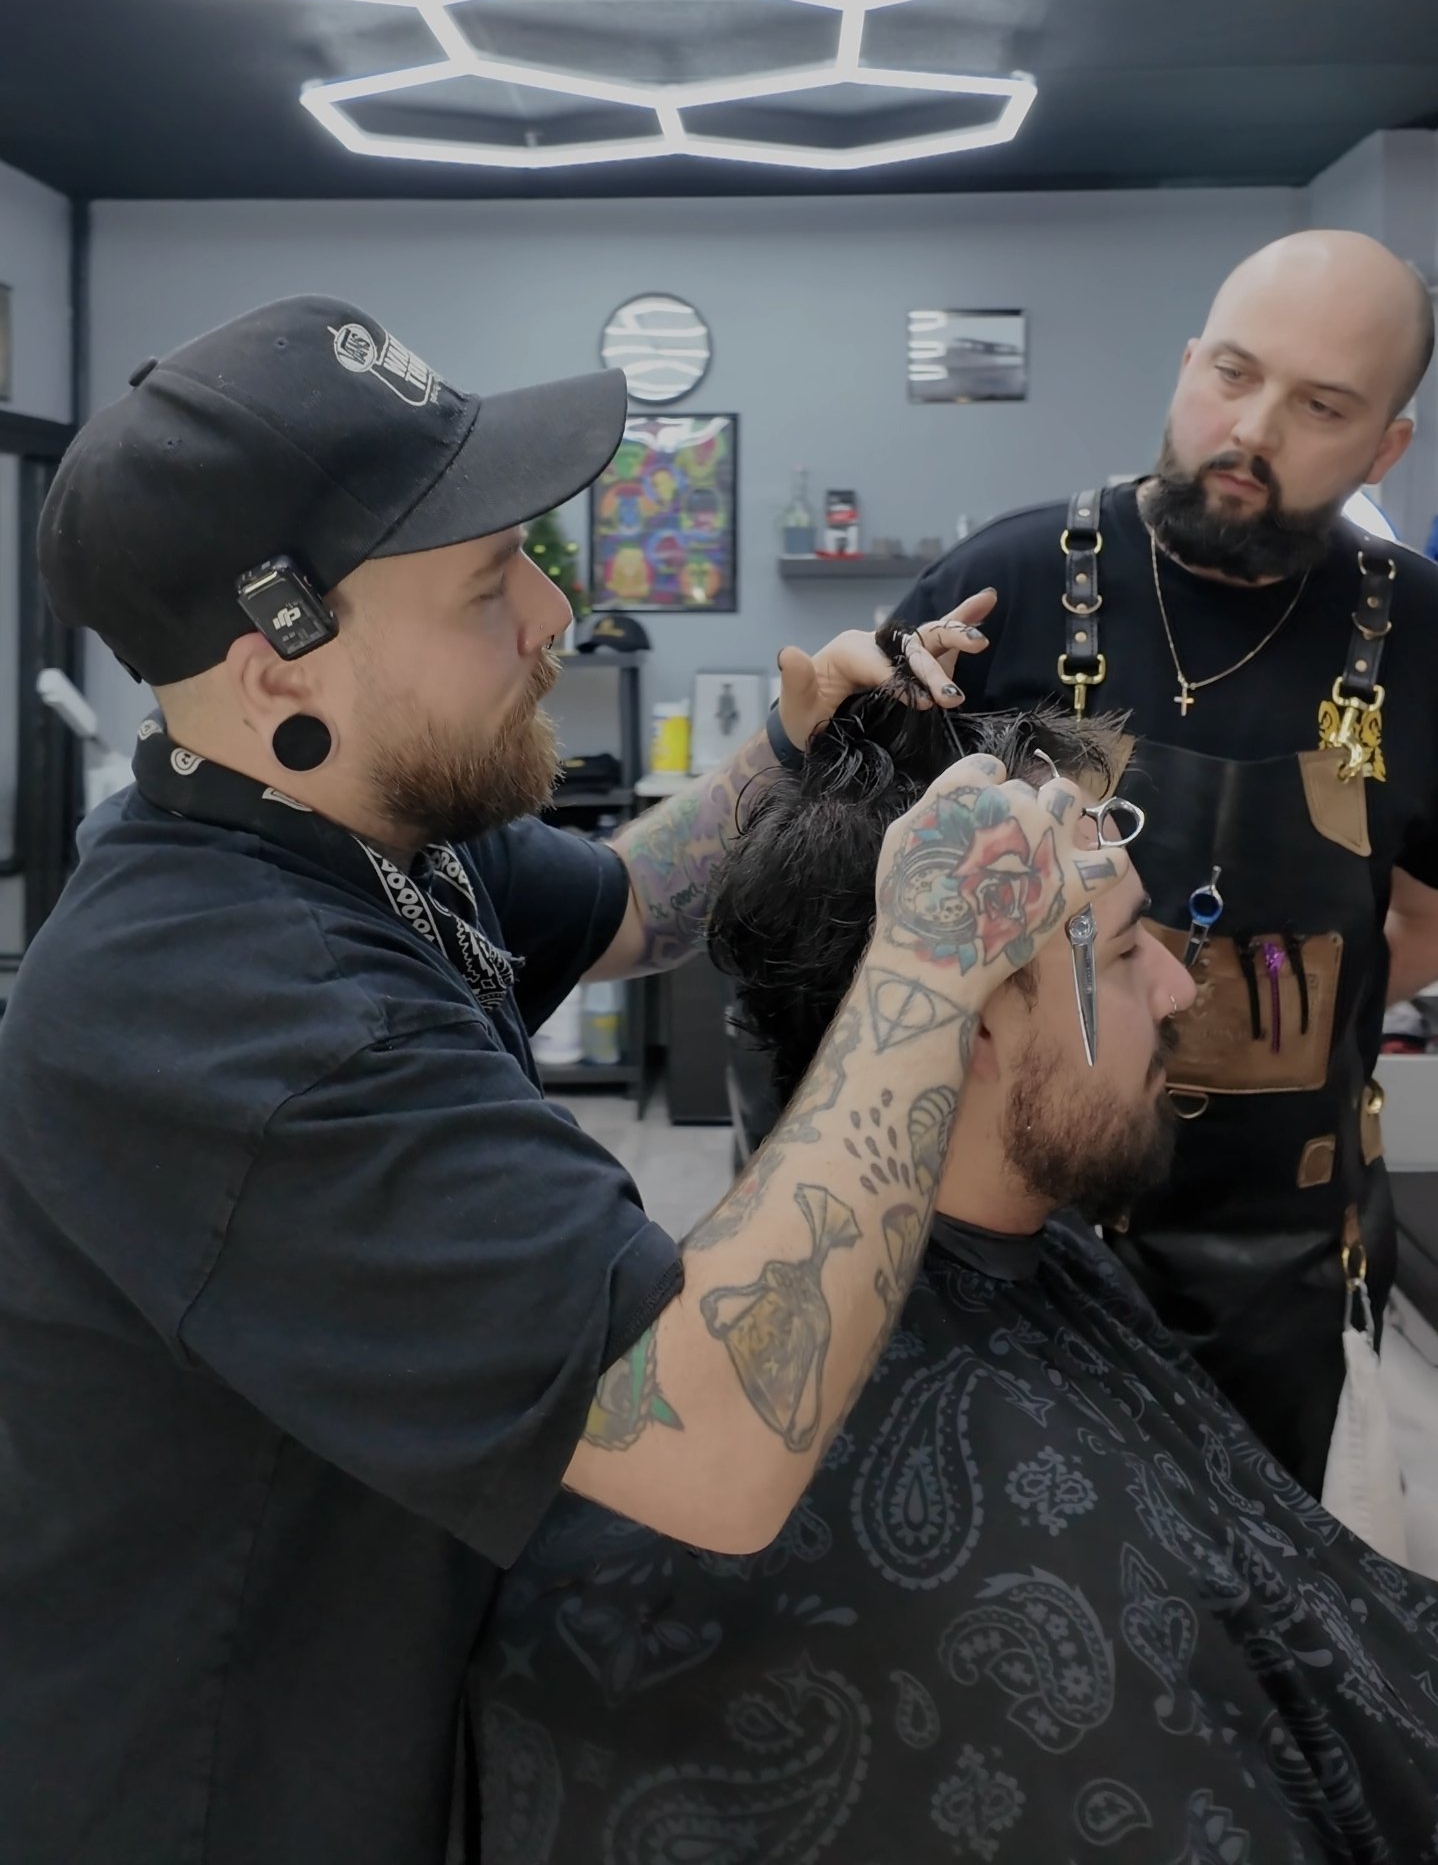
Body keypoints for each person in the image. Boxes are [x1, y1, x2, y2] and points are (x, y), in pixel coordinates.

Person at [0, 293, 1088, 1865]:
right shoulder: (245, 1021)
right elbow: (711, 1441)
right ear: (277, 670)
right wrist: (925, 961)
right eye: (483, 583)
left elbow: (640, 900)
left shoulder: (356, 834)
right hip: (220, 1785)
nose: (551, 619)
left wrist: (787, 752)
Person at [473, 684, 1438, 1865]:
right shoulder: (907, 1514)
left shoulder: (1028, 1265)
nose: (1183, 991)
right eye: (1131, 950)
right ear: (969, 1019)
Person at [891, 229, 1438, 1496]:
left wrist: (1284, 1012)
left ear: (1383, 447)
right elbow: (843, 887)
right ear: (1188, 361)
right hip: (1004, 1222)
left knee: (1247, 1598)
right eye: (1231, 374)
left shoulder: (1421, 639)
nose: (1250, 428)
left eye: (1320, 406)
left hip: (1277, 1250)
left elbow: (1427, 911)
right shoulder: (1007, 585)